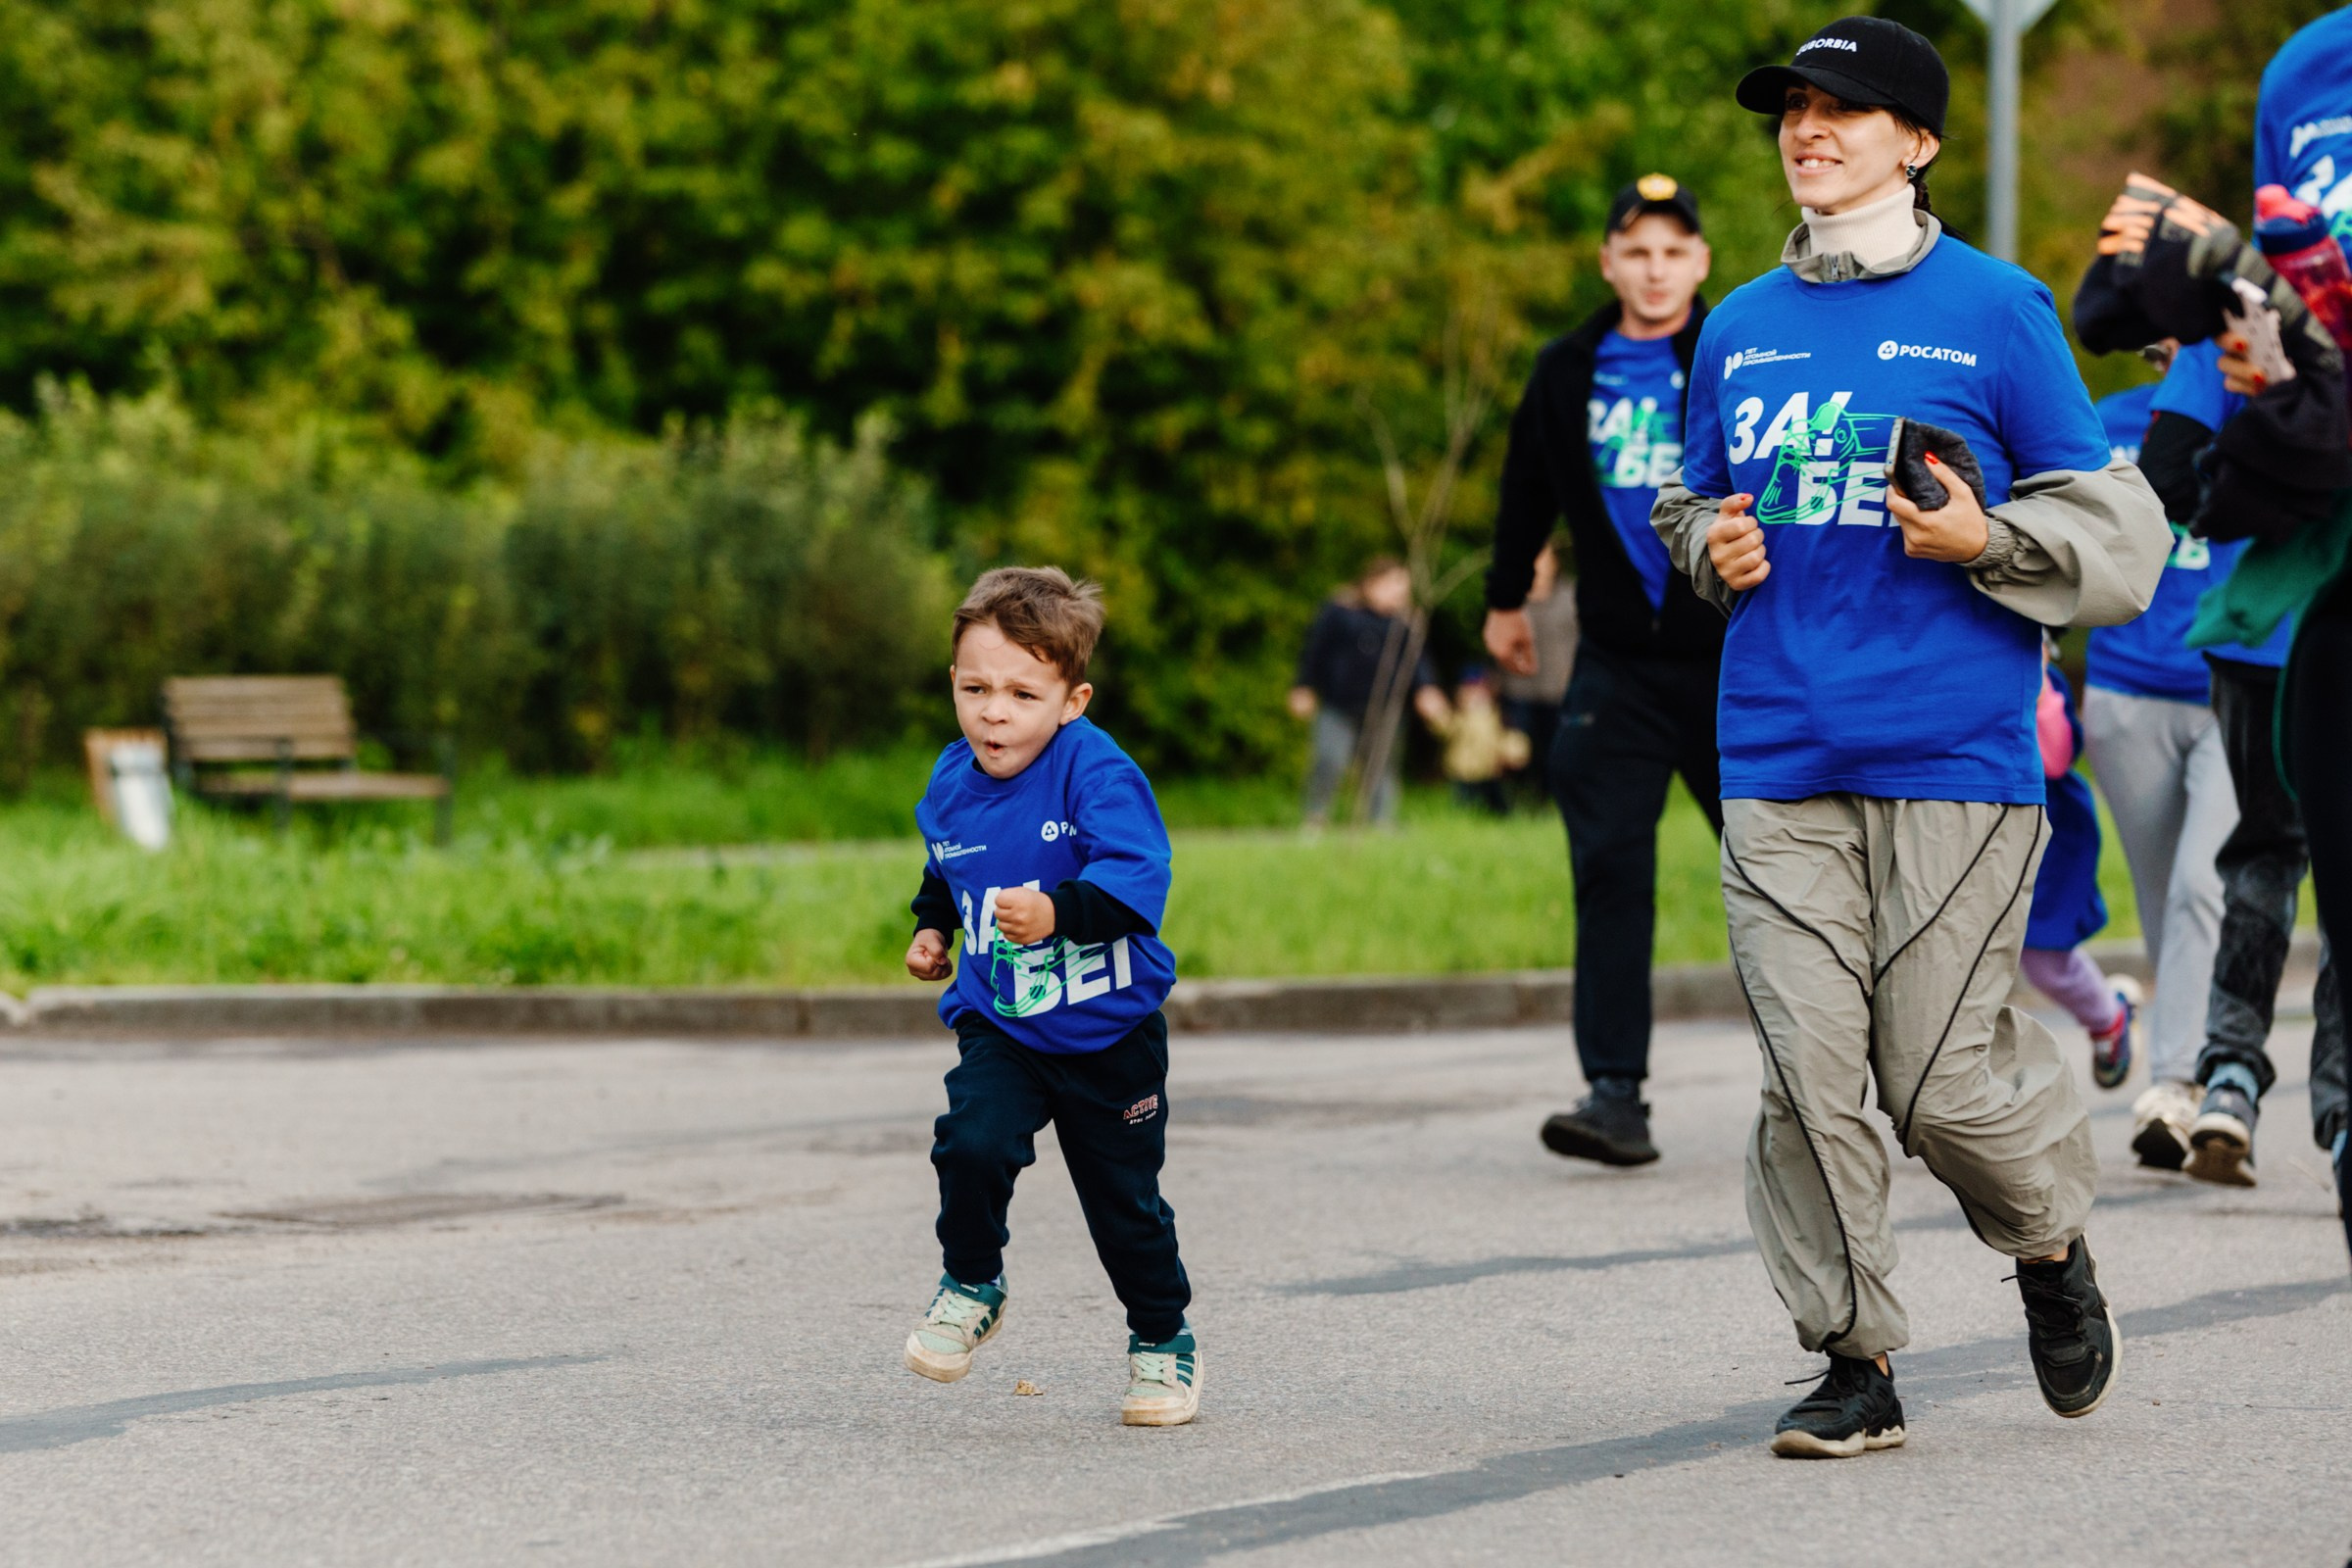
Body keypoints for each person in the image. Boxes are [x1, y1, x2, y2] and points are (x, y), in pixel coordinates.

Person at [1655, 17, 2169, 1457]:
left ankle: (2052, 1249)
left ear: (1919, 141)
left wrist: (1979, 535)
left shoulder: (1999, 311)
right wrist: (1713, 548)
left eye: (1847, 110)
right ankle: (1856, 1360)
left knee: (1939, 1083)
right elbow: (1693, 504)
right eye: (1794, 111)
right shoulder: (1740, 324)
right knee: (1807, 1075)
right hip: (1775, 750)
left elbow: (2107, 522)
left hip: (1955, 755)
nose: (1809, 131)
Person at [901, 566, 1200, 1427]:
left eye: (1023, 693)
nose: (995, 711)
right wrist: (934, 928)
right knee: (970, 1140)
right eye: (975, 688)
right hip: (1006, 1024)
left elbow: (1140, 883)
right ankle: (972, 1282)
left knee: (1125, 1209)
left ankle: (1161, 1342)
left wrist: (1058, 912)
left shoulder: (1095, 772)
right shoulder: (953, 779)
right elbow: (947, 862)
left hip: (1112, 1034)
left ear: (1072, 700)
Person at [1484, 172, 1722, 1167]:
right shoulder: (1566, 367)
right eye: (1638, 251)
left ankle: (1857, 1085)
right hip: (1617, 662)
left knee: (1788, 871)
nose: (1656, 270)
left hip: (1731, 655)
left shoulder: (1738, 349)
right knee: (1612, 870)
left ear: (1700, 262)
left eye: (1674, 252)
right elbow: (1527, 481)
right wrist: (1503, 598)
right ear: (1609, 262)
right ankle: (1614, 1095)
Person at [2163, 10, 2352, 1190]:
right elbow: (2249, 304)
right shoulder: (2303, 64)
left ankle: (2337, 1110)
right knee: (2266, 851)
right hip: (2278, 604)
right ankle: (2230, 1075)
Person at [2119, 339, 2341, 1185]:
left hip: (2259, 636)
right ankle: (2336, 1105)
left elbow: (2170, 475)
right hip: (2295, 633)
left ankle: (2230, 1083)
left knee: (2256, 860)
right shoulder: (2238, 319)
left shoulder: (2231, 316)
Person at [2021, 652, 2141, 1087]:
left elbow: (2054, 757)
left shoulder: (2044, 681)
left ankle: (2109, 1018)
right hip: (1971, 837)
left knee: (2045, 961)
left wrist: (2036, 689)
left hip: (2047, 843)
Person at [1292, 559, 1448, 826]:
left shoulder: (1405, 622)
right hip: (1337, 705)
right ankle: (1315, 817)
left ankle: (1380, 822)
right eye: (1393, 584)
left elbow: (1417, 661)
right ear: (1371, 583)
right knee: (1329, 760)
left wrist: (1427, 689)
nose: (1400, 592)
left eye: (1403, 586)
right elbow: (1316, 651)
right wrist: (1303, 686)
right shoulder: (1339, 612)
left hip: (1384, 708)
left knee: (1381, 767)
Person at [1494, 539, 1578, 801]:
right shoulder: (1509, 599)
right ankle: (1521, 802)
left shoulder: (1572, 596)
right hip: (1517, 690)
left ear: (1554, 563)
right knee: (1518, 754)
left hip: (1560, 690)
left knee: (1559, 751)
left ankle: (1555, 800)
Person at [1433, 668, 1529, 815]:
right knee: (1464, 802)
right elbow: (1446, 728)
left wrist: (1514, 750)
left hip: (1489, 769)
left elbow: (1503, 738)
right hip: (1464, 770)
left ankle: (1503, 815)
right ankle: (1464, 818)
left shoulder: (1495, 716)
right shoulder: (1461, 717)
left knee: (1497, 801)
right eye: (1470, 691)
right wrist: (1437, 715)